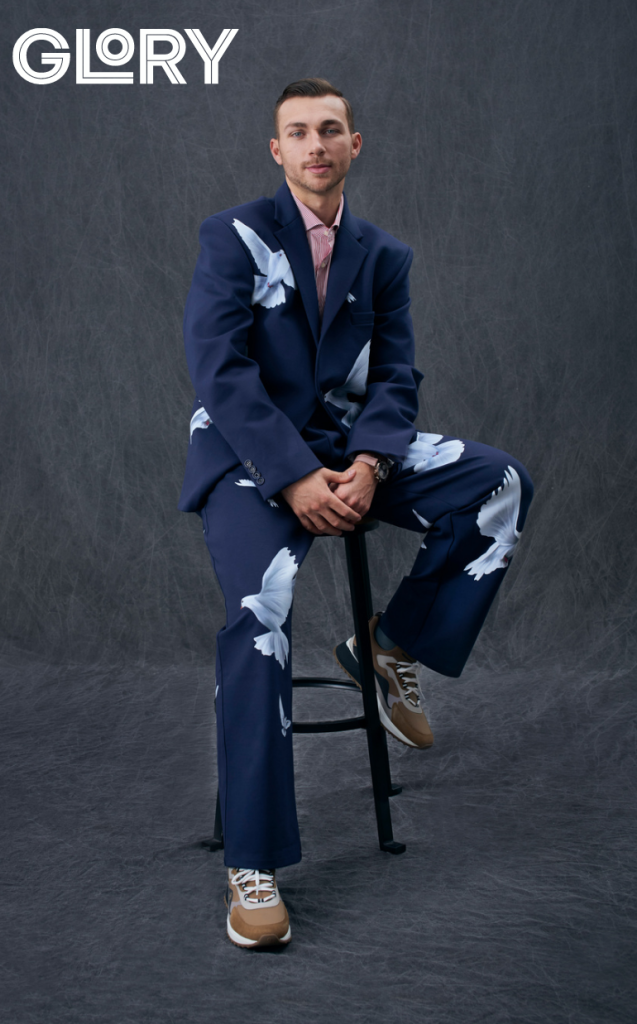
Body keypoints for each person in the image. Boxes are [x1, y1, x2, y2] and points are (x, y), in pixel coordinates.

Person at [178, 78, 533, 949]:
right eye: (296, 132)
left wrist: (370, 464)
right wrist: (295, 476)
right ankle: (251, 866)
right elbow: (219, 372)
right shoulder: (232, 238)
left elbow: (397, 379)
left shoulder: (384, 255)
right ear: (276, 150)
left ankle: (390, 642)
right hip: (247, 455)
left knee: (498, 485)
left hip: (353, 444)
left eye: (329, 130)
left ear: (353, 145)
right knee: (260, 617)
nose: (314, 145)